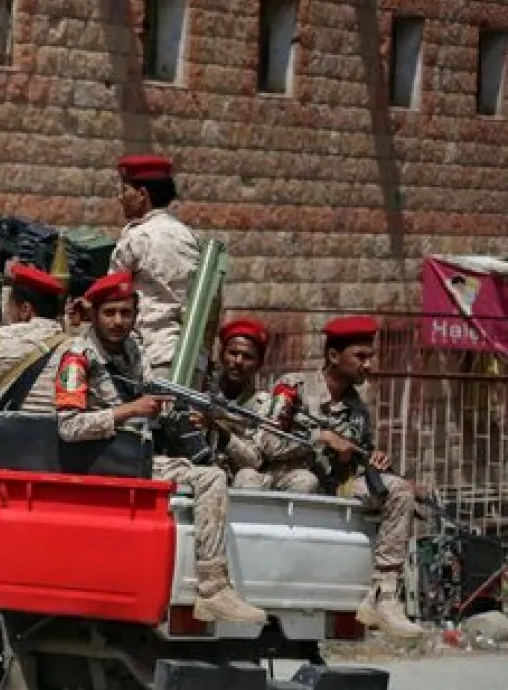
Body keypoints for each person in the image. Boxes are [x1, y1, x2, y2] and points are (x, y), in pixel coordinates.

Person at [54, 272, 266, 624]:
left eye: (126, 312)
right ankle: (212, 590)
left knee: (209, 464)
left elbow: (147, 394)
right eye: (110, 313)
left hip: (138, 451)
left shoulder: (132, 348)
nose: (119, 321)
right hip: (105, 458)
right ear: (94, 315)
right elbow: (68, 426)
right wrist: (129, 411)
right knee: (210, 478)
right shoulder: (78, 358)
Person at [267, 316, 424, 638]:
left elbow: (356, 460)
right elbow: (266, 443)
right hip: (288, 488)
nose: (369, 364)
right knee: (304, 481)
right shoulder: (293, 388)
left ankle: (383, 595)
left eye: (371, 356)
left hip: (335, 489)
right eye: (361, 356)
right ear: (334, 357)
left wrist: (373, 461)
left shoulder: (356, 408)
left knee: (399, 492)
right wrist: (319, 438)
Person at [109, 155, 199, 380]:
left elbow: (114, 294)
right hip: (189, 356)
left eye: (125, 190)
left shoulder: (137, 237)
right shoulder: (187, 236)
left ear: (142, 195)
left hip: (149, 355)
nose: (120, 198)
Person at [208, 318, 319, 492]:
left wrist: (221, 432)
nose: (238, 361)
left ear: (258, 364)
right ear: (222, 355)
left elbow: (255, 460)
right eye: (233, 353)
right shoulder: (201, 393)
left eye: (247, 357)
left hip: (243, 478)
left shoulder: (266, 405)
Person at [0, 264, 71, 411]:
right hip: (55, 430)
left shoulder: (1, 338)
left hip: (10, 430)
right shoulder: (73, 346)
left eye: (10, 307)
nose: (7, 313)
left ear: (25, 310)